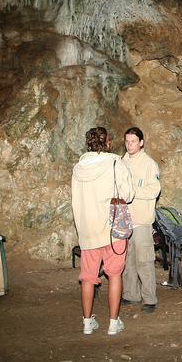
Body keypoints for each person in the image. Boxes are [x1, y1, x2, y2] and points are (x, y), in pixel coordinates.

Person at [71, 126, 135, 335]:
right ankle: (113, 323)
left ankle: (87, 323)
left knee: (88, 277)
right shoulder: (116, 163)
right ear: (107, 142)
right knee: (115, 275)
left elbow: (75, 201)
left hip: (88, 231)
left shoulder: (78, 168)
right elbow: (128, 193)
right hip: (112, 229)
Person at [120, 126, 162, 313]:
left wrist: (133, 191)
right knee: (127, 260)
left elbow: (155, 189)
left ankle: (149, 298)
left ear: (141, 142)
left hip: (141, 220)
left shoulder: (149, 164)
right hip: (124, 219)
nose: (130, 145)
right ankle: (130, 294)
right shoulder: (122, 161)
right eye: (127, 141)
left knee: (144, 261)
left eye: (133, 141)